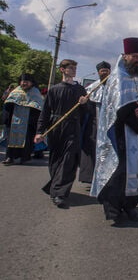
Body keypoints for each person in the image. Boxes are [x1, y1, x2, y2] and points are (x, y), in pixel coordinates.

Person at [90, 37, 138, 223]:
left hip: (133, 134)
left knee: (132, 171)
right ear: (125, 56)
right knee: (117, 171)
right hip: (117, 133)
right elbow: (121, 110)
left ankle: (129, 206)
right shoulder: (116, 78)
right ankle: (113, 211)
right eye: (134, 55)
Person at [34, 59, 88, 208]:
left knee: (69, 159)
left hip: (73, 127)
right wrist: (40, 132)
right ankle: (56, 185)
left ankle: (59, 193)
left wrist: (84, 104)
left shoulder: (80, 90)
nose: (74, 70)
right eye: (70, 68)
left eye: (75, 68)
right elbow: (45, 113)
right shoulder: (54, 90)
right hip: (56, 127)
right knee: (55, 160)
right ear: (62, 70)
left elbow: (86, 113)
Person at [79, 61, 111, 184]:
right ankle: (89, 177)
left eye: (106, 71)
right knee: (91, 148)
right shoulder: (92, 88)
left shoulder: (114, 87)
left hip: (109, 123)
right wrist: (84, 101)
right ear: (98, 72)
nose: (104, 73)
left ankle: (107, 176)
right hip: (94, 123)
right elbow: (86, 106)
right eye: (102, 71)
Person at [2, 74, 43, 165]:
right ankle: (9, 157)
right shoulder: (16, 91)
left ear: (31, 83)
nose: (24, 83)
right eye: (23, 81)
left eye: (27, 81)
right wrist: (6, 118)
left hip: (28, 122)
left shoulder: (35, 92)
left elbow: (39, 106)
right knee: (10, 139)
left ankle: (24, 157)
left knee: (27, 140)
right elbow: (8, 104)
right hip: (13, 121)